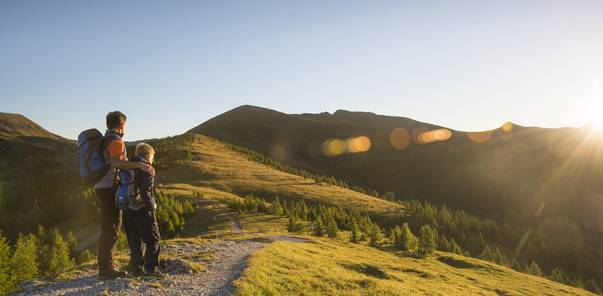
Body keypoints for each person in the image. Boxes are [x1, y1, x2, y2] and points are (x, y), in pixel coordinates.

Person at [94, 111, 155, 280]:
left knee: (109, 226)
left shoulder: (105, 139)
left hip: (101, 186)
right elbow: (116, 163)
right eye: (125, 126)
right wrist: (140, 166)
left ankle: (105, 267)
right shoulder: (116, 141)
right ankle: (106, 270)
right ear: (121, 125)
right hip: (108, 187)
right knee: (112, 229)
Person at [123, 143, 163, 277]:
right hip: (142, 209)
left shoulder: (126, 166)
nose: (152, 160)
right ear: (147, 156)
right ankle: (150, 269)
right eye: (152, 157)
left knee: (135, 241)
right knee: (153, 240)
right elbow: (146, 192)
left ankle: (135, 269)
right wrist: (152, 207)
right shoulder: (147, 169)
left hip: (127, 209)